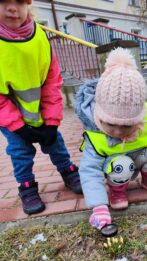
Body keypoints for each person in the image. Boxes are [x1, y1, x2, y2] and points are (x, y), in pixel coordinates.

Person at [75, 47, 147, 231]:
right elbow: (89, 171)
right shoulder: (95, 134)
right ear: (99, 115)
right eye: (110, 124)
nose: (117, 131)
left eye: (126, 125)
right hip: (117, 167)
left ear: (139, 116)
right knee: (121, 164)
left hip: (141, 158)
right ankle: (116, 191)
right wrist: (98, 206)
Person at [0, 0, 82, 215]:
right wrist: (17, 126)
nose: (12, 8)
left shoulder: (39, 37)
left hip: (40, 107)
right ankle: (26, 186)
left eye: (18, 1)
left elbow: (52, 80)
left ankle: (68, 170)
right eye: (3, 2)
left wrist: (52, 121)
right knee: (20, 149)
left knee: (54, 140)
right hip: (9, 112)